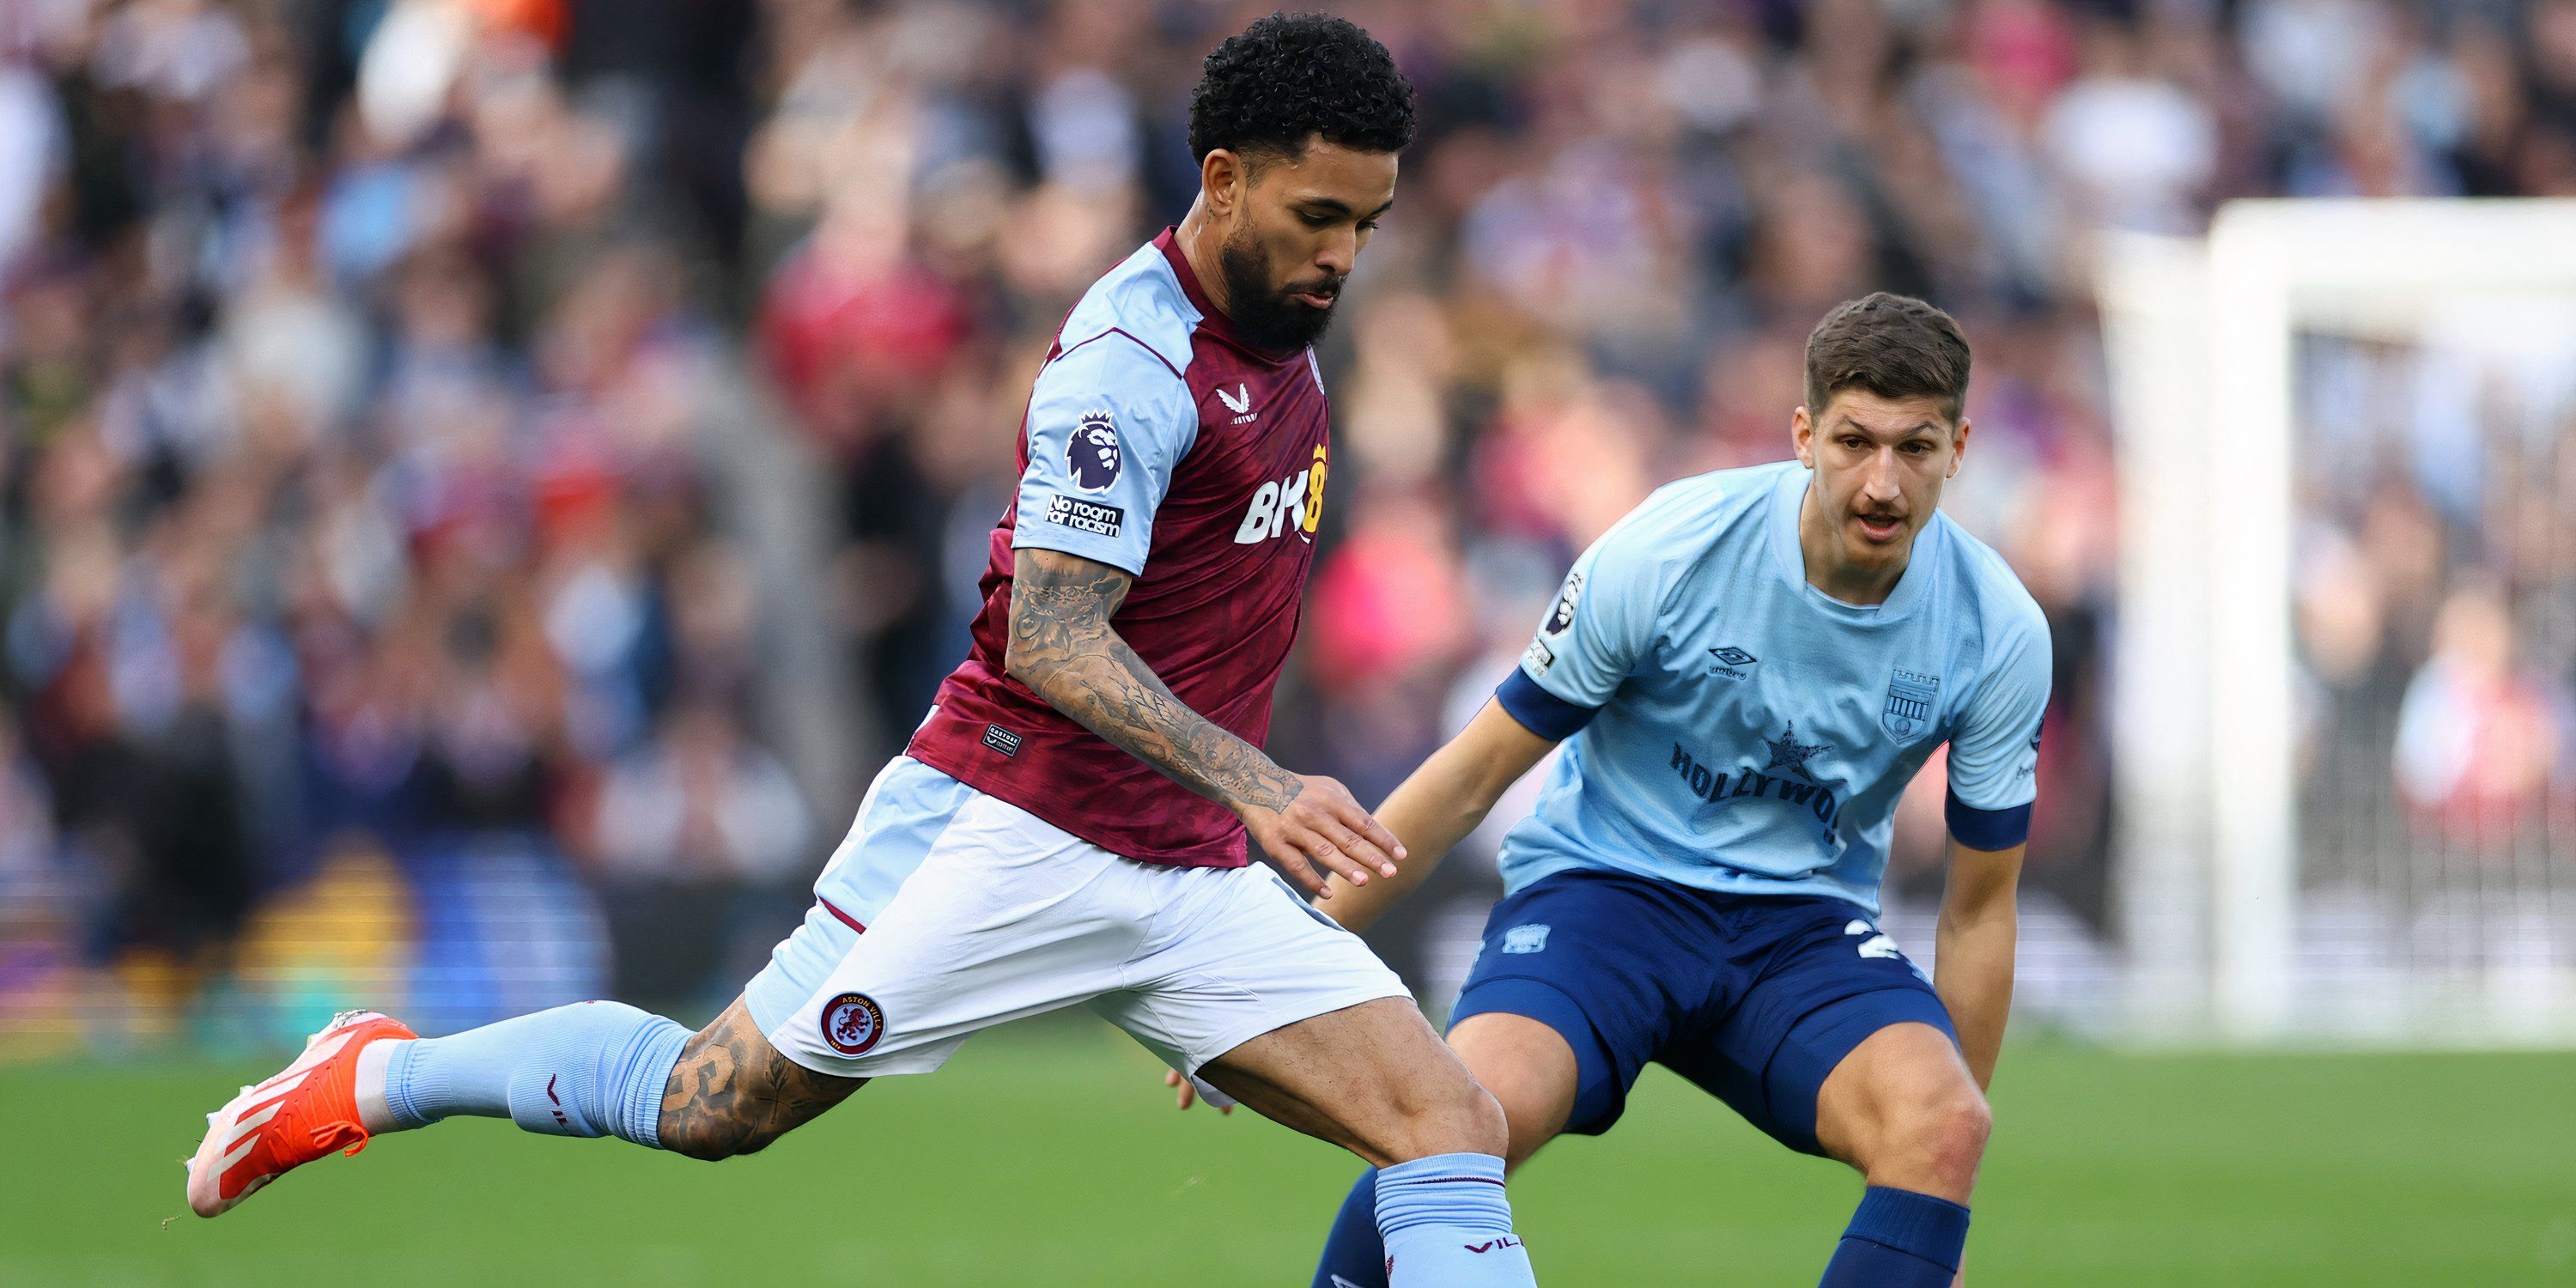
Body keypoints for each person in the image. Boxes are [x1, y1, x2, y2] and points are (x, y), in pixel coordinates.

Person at [189, 15, 1540, 1285]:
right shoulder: (1129, 362)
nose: (1343, 257)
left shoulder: (1287, 338)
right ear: (1225, 179)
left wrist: (1226, 874)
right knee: (711, 1103)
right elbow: (1050, 638)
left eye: (1368, 224)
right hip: (1011, 831)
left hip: (1187, 871)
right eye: (1319, 218)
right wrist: (1259, 785)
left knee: (1450, 1126)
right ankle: (376, 1077)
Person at [1205, 292, 2046, 1288]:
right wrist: (1273, 972)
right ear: (1803, 434)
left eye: (1915, 449)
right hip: (1607, 896)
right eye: (1856, 441)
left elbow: (1981, 911)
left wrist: (1938, 1199)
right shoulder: (1672, 551)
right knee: (1455, 1123)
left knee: (1944, 1123)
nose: (1881, 482)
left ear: (1959, 449)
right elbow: (1473, 778)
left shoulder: (1996, 628)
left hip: (1802, 929)